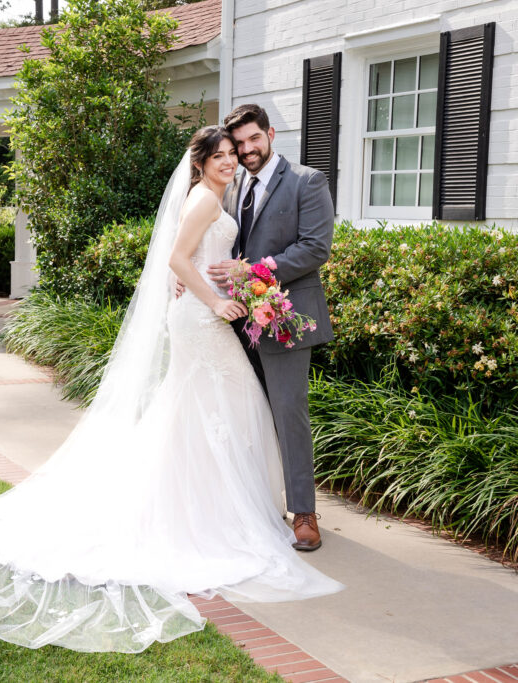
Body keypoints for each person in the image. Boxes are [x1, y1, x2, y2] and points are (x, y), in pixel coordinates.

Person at [0, 125, 343, 654]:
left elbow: (239, 252)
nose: (231, 161)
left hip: (223, 315)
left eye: (234, 153)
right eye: (221, 155)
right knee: (205, 408)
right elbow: (177, 257)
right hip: (204, 320)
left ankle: (241, 507)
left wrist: (221, 285)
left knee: (218, 409)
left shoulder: (239, 190)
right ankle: (203, 511)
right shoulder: (204, 198)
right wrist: (209, 299)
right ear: (200, 163)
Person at [209, 104, 336, 551]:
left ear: (270, 134)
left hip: (286, 318)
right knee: (245, 411)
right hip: (236, 321)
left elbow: (315, 248)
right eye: (239, 144)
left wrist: (257, 272)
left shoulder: (307, 181)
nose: (246, 151)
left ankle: (304, 513)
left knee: (288, 413)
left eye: (253, 140)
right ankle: (256, 504)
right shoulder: (232, 184)